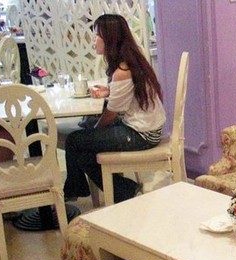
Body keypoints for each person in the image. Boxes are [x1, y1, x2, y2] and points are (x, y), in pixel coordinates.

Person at [63, 13, 166, 203]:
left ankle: (75, 191)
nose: (93, 40)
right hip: (147, 127)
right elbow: (129, 95)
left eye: (97, 35)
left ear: (110, 39)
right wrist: (110, 91)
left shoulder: (122, 71)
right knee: (85, 129)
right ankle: (123, 190)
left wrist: (95, 132)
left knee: (74, 141)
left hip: (141, 134)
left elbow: (111, 114)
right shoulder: (132, 61)